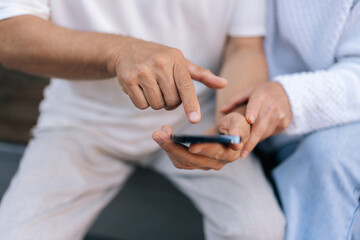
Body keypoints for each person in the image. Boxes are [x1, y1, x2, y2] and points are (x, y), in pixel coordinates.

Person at [0, 0, 285, 239]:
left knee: (257, 228)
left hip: (200, 117)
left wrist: (235, 116)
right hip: (82, 117)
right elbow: (9, 32)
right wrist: (120, 52)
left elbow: (244, 47)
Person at [154, 0, 360, 239]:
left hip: (334, 113)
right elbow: (245, 47)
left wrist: (292, 98)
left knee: (329, 157)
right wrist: (238, 117)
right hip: (261, 118)